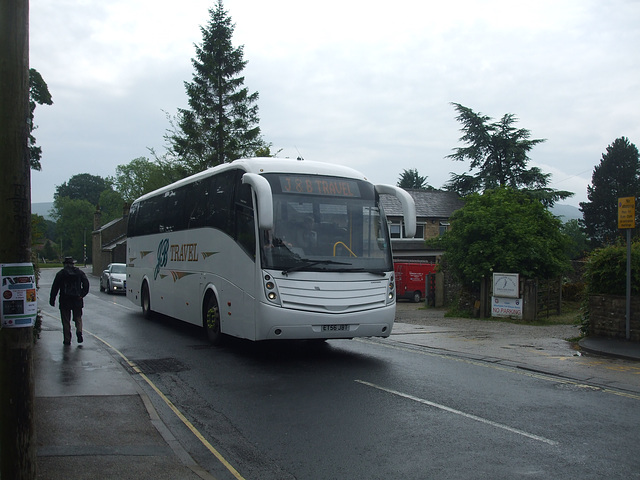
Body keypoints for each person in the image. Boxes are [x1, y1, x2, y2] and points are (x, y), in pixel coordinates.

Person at [49, 257, 90, 346]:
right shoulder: (79, 273)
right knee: (78, 318)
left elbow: (55, 288)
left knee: (65, 321)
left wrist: (52, 299)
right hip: (77, 299)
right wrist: (82, 294)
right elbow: (86, 284)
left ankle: (67, 339)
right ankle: (79, 331)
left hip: (65, 300)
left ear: (64, 264)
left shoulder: (61, 274)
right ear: (73, 264)